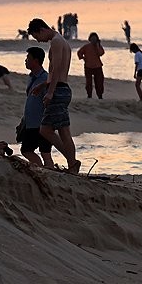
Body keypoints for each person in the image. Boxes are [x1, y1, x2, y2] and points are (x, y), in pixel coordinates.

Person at [28, 18, 81, 174]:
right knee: (64, 131)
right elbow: (57, 72)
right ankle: (72, 165)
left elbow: (57, 68)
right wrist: (44, 85)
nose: (39, 41)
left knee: (45, 130)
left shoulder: (56, 42)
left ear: (42, 30)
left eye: (37, 37)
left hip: (58, 90)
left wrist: (50, 91)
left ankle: (72, 162)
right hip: (61, 87)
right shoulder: (62, 41)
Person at [19, 47, 56, 168]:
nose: (25, 60)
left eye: (28, 58)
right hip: (31, 122)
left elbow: (49, 100)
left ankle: (43, 170)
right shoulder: (31, 77)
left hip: (42, 122)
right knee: (27, 150)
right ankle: (41, 168)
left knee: (45, 152)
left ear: (36, 60)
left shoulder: (45, 78)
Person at [77, 32, 105, 99]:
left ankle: (100, 95)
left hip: (97, 66)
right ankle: (89, 95)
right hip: (88, 66)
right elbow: (79, 52)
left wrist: (98, 45)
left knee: (99, 82)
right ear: (90, 39)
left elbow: (101, 53)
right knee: (88, 83)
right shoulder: (86, 46)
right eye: (92, 39)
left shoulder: (98, 46)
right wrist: (83, 58)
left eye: (95, 39)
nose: (93, 40)